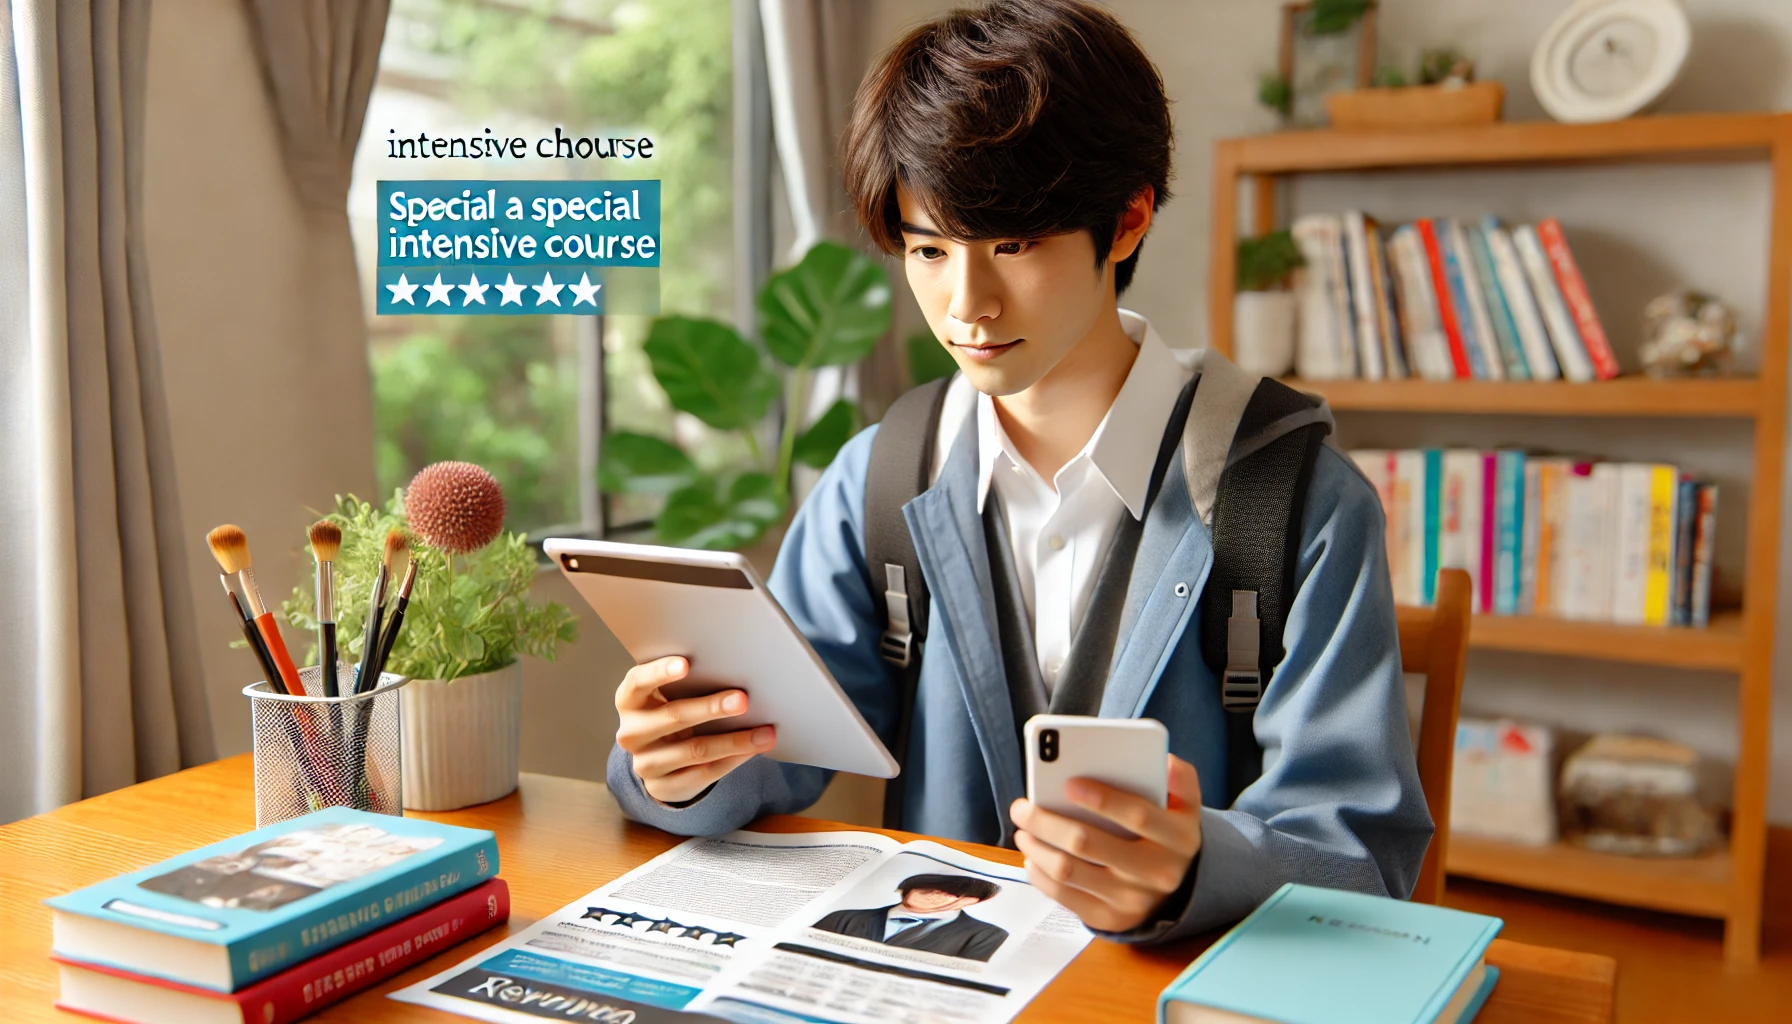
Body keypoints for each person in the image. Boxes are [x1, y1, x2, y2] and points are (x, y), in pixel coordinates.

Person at [607, 0, 1431, 945]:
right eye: (928, 250)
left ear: (1125, 223)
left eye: (1014, 244)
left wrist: (1193, 869)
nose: (967, 304)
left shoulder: (1297, 504)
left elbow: (1360, 853)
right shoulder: (881, 478)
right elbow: (775, 751)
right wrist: (680, 762)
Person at [813, 873, 1009, 962]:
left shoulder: (986, 935)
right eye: (928, 885)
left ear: (969, 901)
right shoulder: (842, 918)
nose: (935, 894)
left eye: (951, 892)